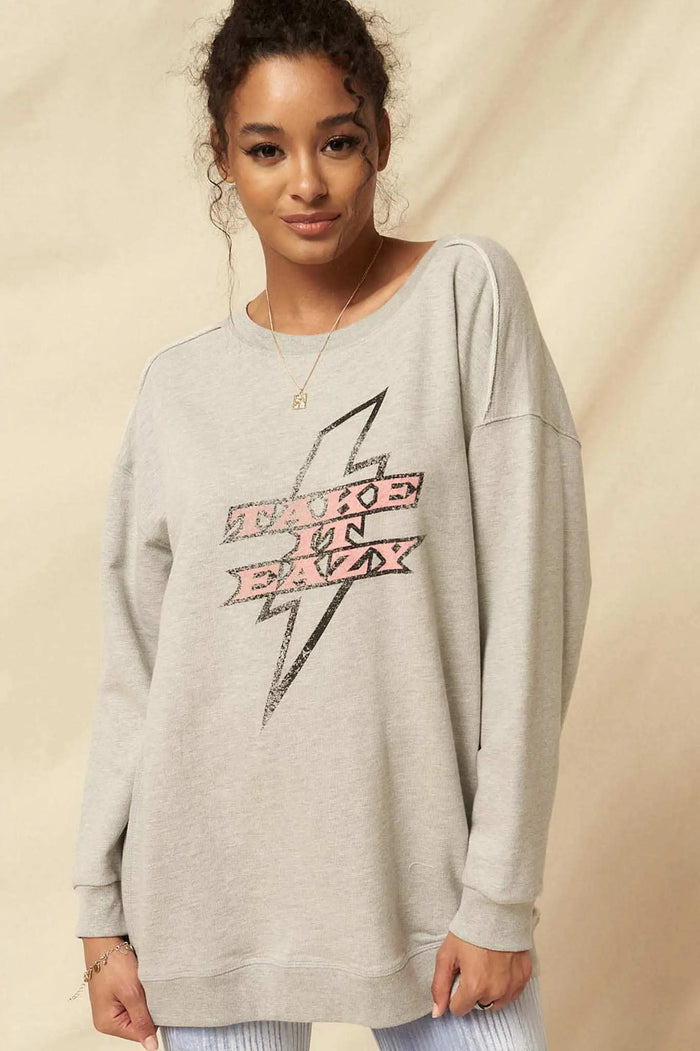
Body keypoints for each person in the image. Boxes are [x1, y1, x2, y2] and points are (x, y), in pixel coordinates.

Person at [70, 1, 592, 1049]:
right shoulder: (176, 389)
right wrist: (99, 912)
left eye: (337, 142)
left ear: (380, 140)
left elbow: (537, 600)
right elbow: (138, 666)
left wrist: (500, 893)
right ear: (223, 156)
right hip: (205, 900)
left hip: (431, 893)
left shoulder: (464, 297)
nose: (305, 183)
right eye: (267, 149)